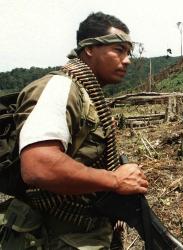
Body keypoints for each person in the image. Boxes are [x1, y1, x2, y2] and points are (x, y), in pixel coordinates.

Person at [0, 12, 148, 249]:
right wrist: (114, 180)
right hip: (54, 234)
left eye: (128, 52)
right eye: (118, 50)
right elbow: (38, 166)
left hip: (81, 231)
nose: (127, 59)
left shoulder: (85, 92)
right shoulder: (61, 87)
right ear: (89, 49)